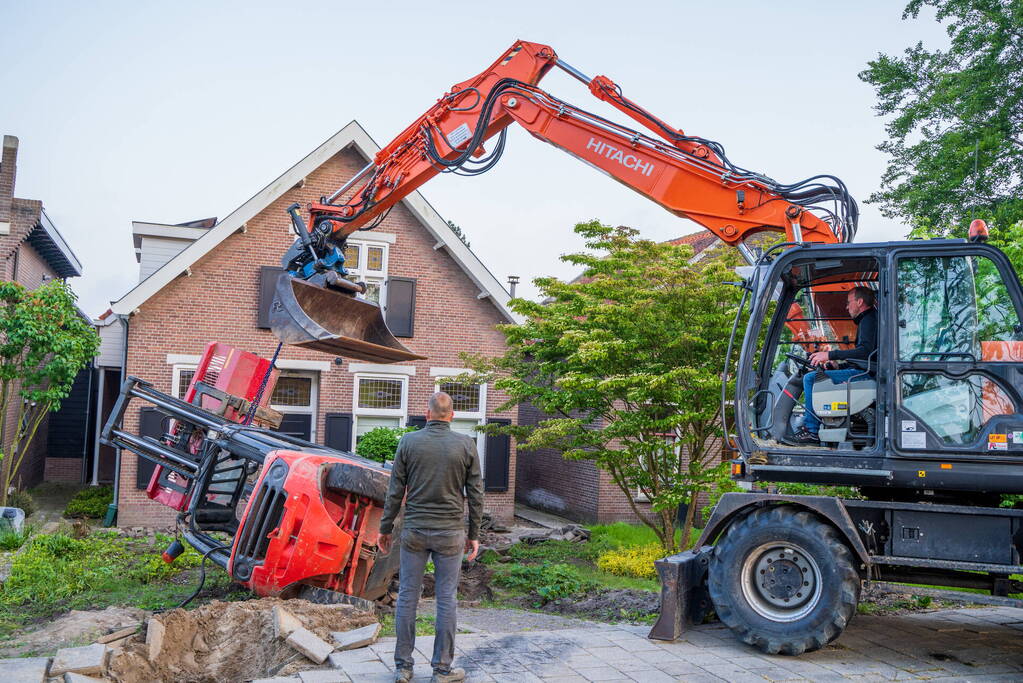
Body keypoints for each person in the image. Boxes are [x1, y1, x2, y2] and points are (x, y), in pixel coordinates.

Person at [378, 391, 484, 683]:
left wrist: (385, 528)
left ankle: (403, 668)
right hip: (450, 533)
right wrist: (474, 534)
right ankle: (442, 671)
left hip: (414, 531)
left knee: (408, 597)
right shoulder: (466, 444)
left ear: (427, 414)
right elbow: (475, 493)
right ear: (451, 416)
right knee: (446, 598)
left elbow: (395, 491)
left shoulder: (409, 442)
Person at [790, 286, 878, 444]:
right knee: (818, 376)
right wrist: (839, 366)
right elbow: (865, 356)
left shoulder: (869, 320)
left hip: (866, 374)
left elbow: (865, 351)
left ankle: (812, 431)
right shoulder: (869, 319)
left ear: (859, 302)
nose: (846, 307)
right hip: (865, 370)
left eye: (849, 302)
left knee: (811, 379)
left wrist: (830, 354)